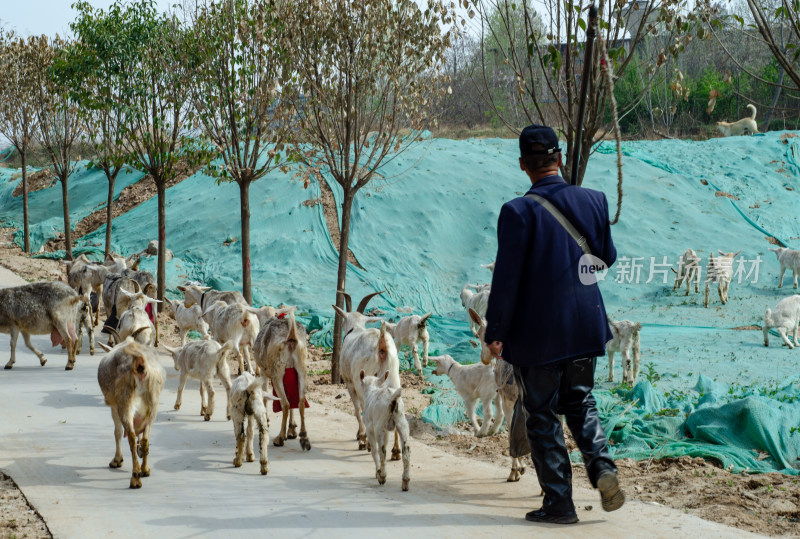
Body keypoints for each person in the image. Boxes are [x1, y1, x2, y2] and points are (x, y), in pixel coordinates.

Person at [483, 124, 624, 525]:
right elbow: (606, 259)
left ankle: (560, 503)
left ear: (523, 165)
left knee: (541, 414)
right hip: (585, 325)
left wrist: (496, 332)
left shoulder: (517, 211)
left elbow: (506, 281)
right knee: (580, 400)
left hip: (538, 334)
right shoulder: (594, 201)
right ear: (560, 159)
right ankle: (602, 468)